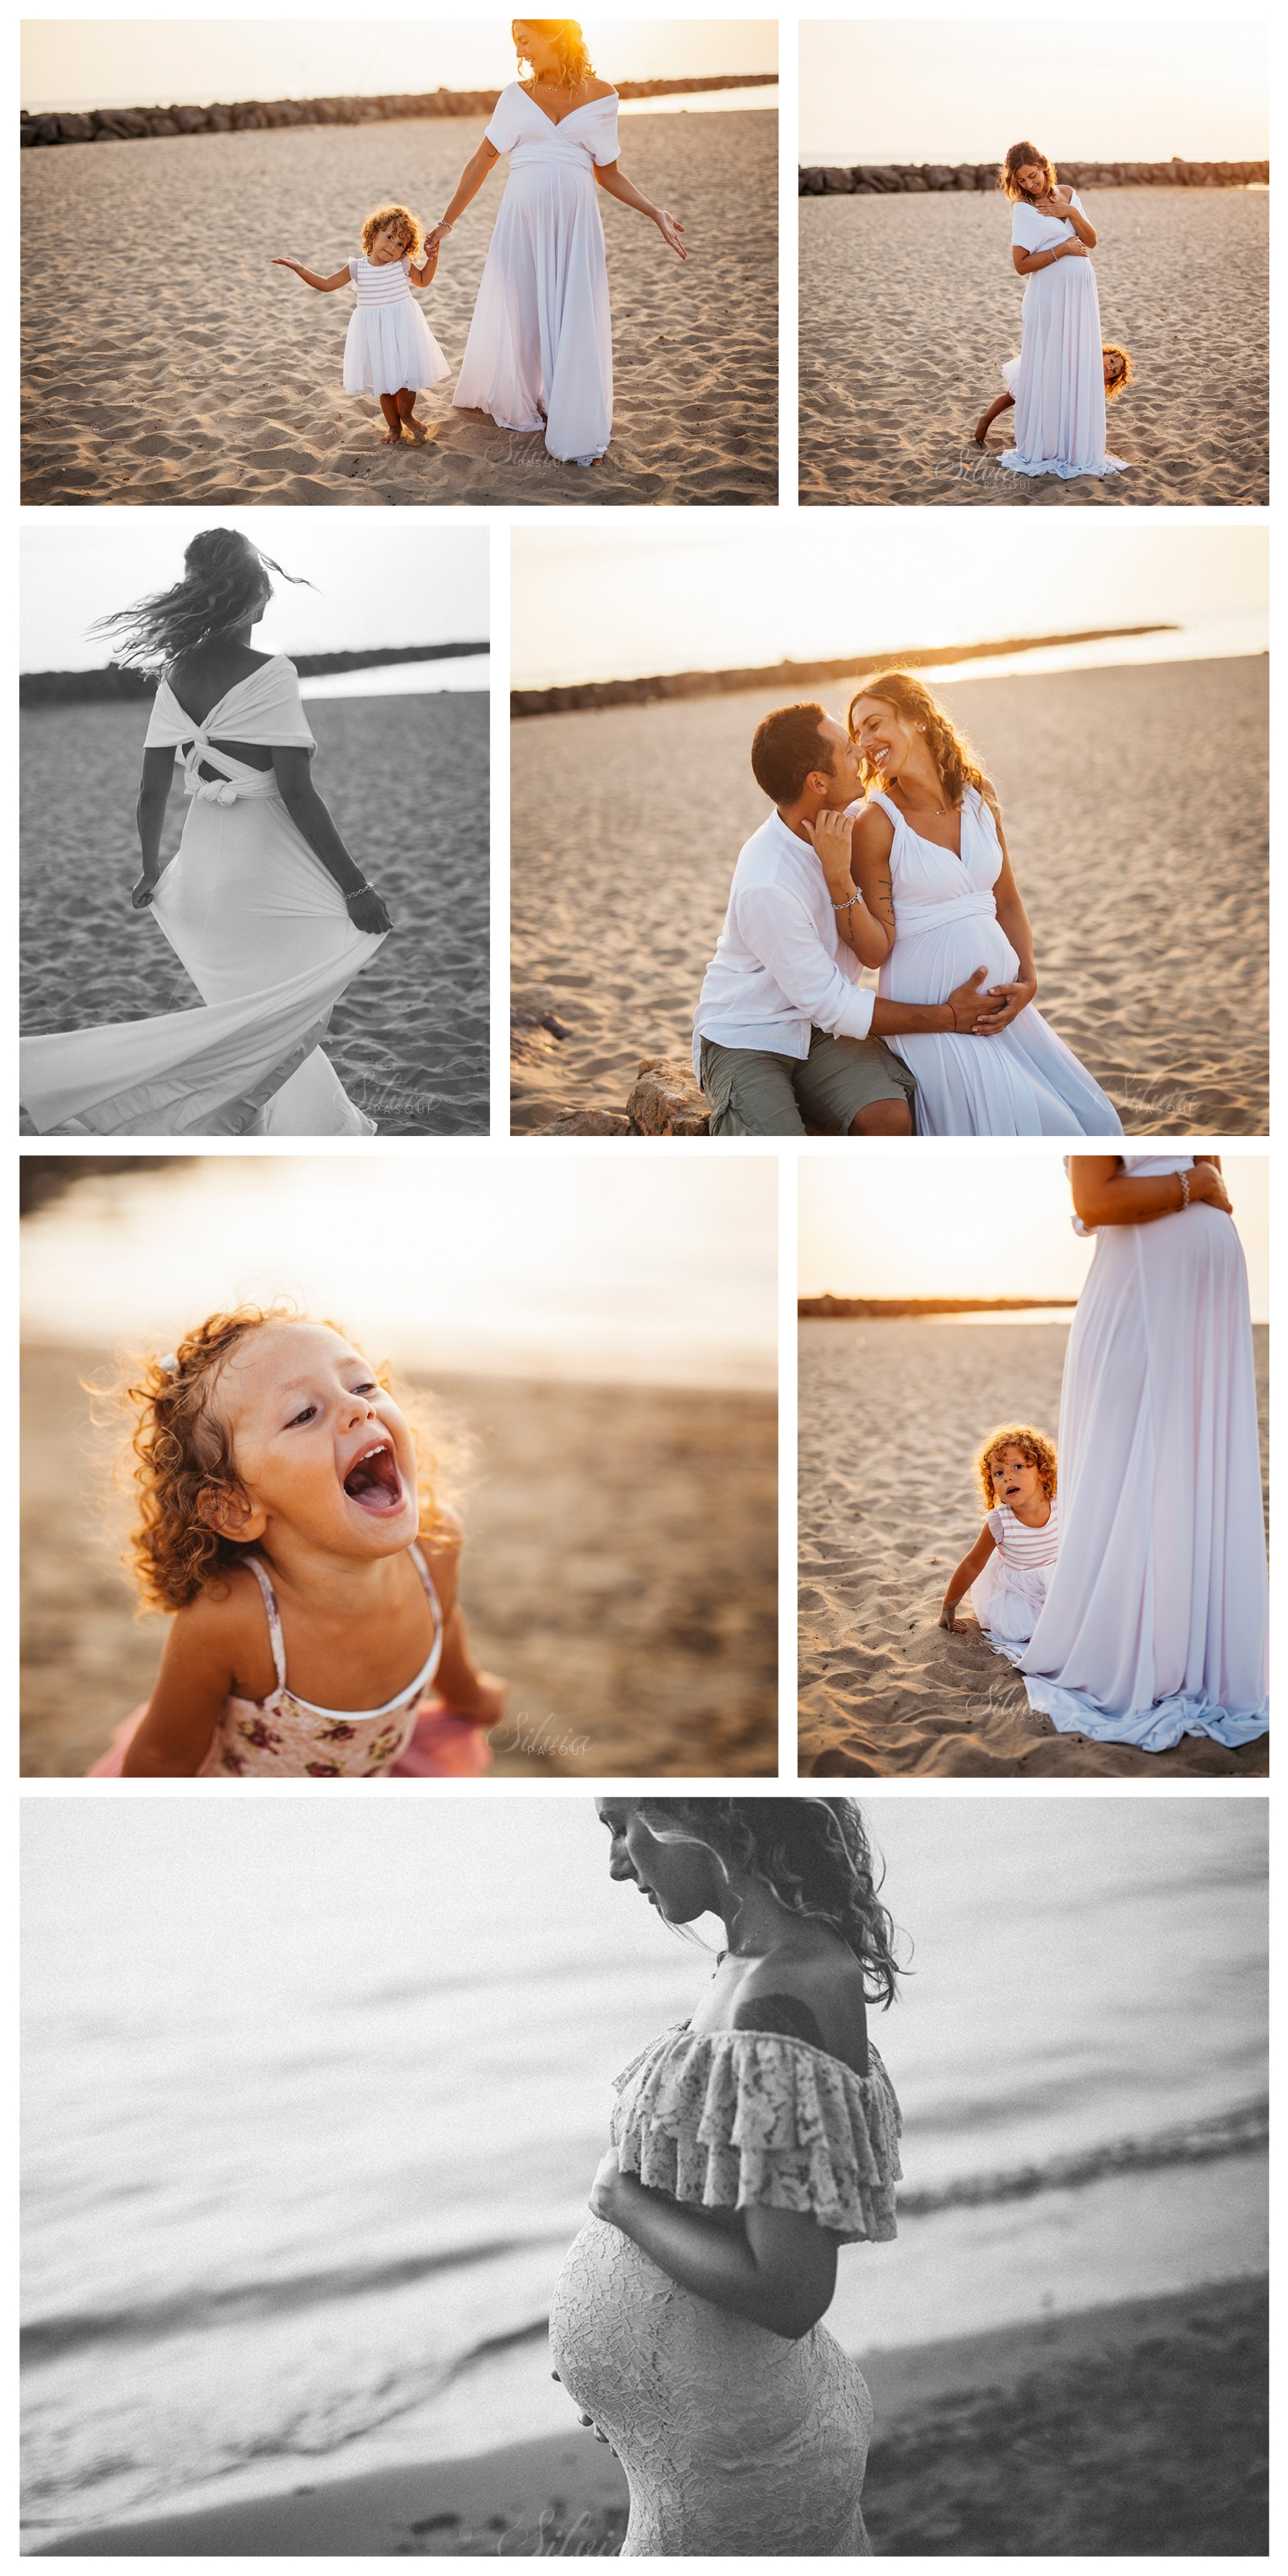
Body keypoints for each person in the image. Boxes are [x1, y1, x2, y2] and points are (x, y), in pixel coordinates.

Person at [549, 1798, 904, 2555]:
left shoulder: (787, 1989)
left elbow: (791, 2290)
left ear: (692, 1807)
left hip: (751, 2461)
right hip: (715, 2430)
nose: (617, 1863)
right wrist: (637, 2389)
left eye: (621, 1824)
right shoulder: (745, 1968)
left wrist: (621, 2203)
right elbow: (723, 2214)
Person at [19, 528, 392, 1137]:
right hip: (262, 869)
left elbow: (151, 791)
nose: (271, 596)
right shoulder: (273, 673)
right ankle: (301, 1128)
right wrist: (355, 888)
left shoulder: (174, 676)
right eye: (266, 587)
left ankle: (295, 1123)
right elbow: (298, 793)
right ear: (251, 597)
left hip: (200, 872)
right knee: (280, 1012)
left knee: (246, 1014)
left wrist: (149, 869)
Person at [87, 1307, 506, 1778]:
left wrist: (472, 1695)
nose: (358, 1408)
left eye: (362, 1385)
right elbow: (163, 1761)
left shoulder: (436, 1546)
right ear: (235, 1508)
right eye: (304, 1414)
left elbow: (443, 1630)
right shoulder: (230, 1619)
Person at [1017, 1157, 1269, 1749]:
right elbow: (1099, 1199)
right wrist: (1197, 1187)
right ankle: (1170, 1645)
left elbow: (1202, 1172)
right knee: (1147, 1455)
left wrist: (1203, 1184)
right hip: (1160, 1278)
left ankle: (1170, 1645)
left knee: (1170, 1460)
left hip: (1185, 1285)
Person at [692, 701, 1014, 1137]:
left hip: (823, 1035)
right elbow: (830, 1003)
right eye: (847, 750)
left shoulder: (854, 823)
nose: (861, 753)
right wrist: (950, 1017)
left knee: (891, 1118)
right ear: (818, 782)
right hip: (749, 1036)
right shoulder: (767, 882)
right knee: (776, 1145)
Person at [838, 670, 1123, 1135]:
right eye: (856, 733)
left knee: (1097, 1122)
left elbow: (1007, 900)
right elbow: (877, 946)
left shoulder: (978, 796)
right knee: (1056, 1130)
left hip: (1006, 1013)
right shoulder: (877, 823)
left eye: (874, 724)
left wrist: (1028, 979)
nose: (865, 741)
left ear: (918, 720)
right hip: (935, 1021)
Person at [430, 19, 687, 466]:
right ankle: (530, 395)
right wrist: (445, 224)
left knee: (573, 309)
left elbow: (608, 172)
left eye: (525, 41)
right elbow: (482, 161)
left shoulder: (603, 96)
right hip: (521, 221)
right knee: (524, 309)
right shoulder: (514, 96)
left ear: (553, 35)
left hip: (575, 223)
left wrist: (654, 212)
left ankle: (570, 408)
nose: (519, 53)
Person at [994, 144, 1126, 480]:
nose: (1030, 184)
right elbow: (1020, 265)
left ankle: (1073, 442)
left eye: (1034, 175)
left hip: (1081, 295)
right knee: (1053, 361)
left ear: (1044, 167)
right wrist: (1061, 249)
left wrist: (1072, 213)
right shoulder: (1023, 210)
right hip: (1049, 297)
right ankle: (1049, 442)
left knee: (1078, 361)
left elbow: (1092, 240)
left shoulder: (1068, 194)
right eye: (1022, 180)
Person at [272, 203, 449, 446]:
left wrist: (432, 259)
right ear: (373, 234)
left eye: (400, 244)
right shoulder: (357, 268)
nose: (393, 246)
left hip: (403, 329)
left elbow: (423, 281)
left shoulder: (402, 264)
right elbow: (326, 284)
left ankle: (408, 416)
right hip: (376, 333)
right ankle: (394, 427)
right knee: (385, 385)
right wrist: (300, 269)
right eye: (389, 237)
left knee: (407, 380)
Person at [939, 1426, 1059, 1645]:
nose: (1008, 1477)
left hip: (1058, 1577)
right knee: (1031, 1632)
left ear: (1043, 1471)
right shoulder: (1000, 1522)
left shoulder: (1063, 1505)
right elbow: (972, 1565)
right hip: (1019, 1589)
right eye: (999, 1472)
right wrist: (949, 1607)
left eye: (1018, 1466)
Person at [974, 341, 1133, 447]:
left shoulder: (1095, 384)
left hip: (1054, 396)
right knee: (1010, 399)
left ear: (1111, 379)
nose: (1111, 368)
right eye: (1112, 362)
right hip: (1045, 375)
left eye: (1115, 371)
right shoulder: (1086, 355)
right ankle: (986, 420)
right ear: (1104, 354)